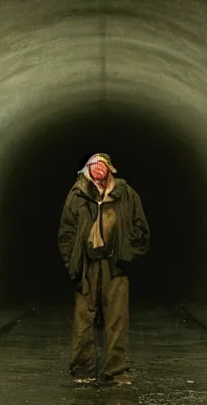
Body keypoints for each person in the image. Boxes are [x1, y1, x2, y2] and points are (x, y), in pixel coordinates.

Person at [57, 153, 149, 386]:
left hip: (114, 263)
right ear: (87, 170)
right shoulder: (77, 193)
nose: (97, 170)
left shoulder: (126, 194)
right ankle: (83, 370)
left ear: (110, 169)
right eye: (93, 166)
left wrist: (127, 257)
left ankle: (115, 372)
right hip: (86, 263)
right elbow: (66, 231)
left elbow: (141, 229)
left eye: (102, 165)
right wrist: (73, 261)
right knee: (83, 318)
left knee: (117, 318)